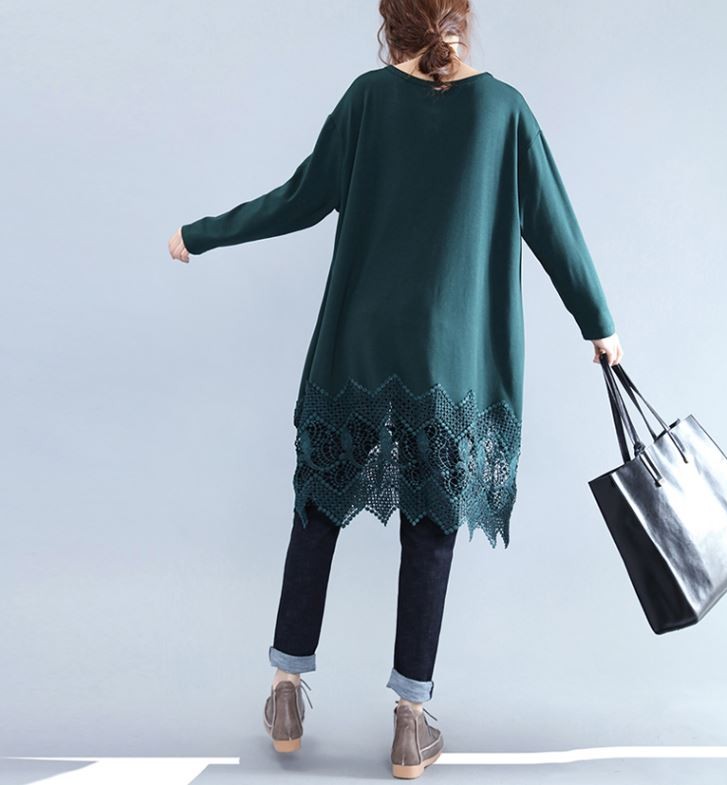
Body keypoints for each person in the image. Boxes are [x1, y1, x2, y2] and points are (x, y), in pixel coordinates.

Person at [168, 0, 623, 778]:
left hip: (358, 344)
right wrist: (598, 323)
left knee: (318, 506)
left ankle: (285, 689)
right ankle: (410, 721)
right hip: (447, 357)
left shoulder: (366, 99)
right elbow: (553, 227)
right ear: (459, 18)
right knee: (431, 521)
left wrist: (200, 233)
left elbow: (300, 197)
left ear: (393, 22)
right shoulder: (504, 111)